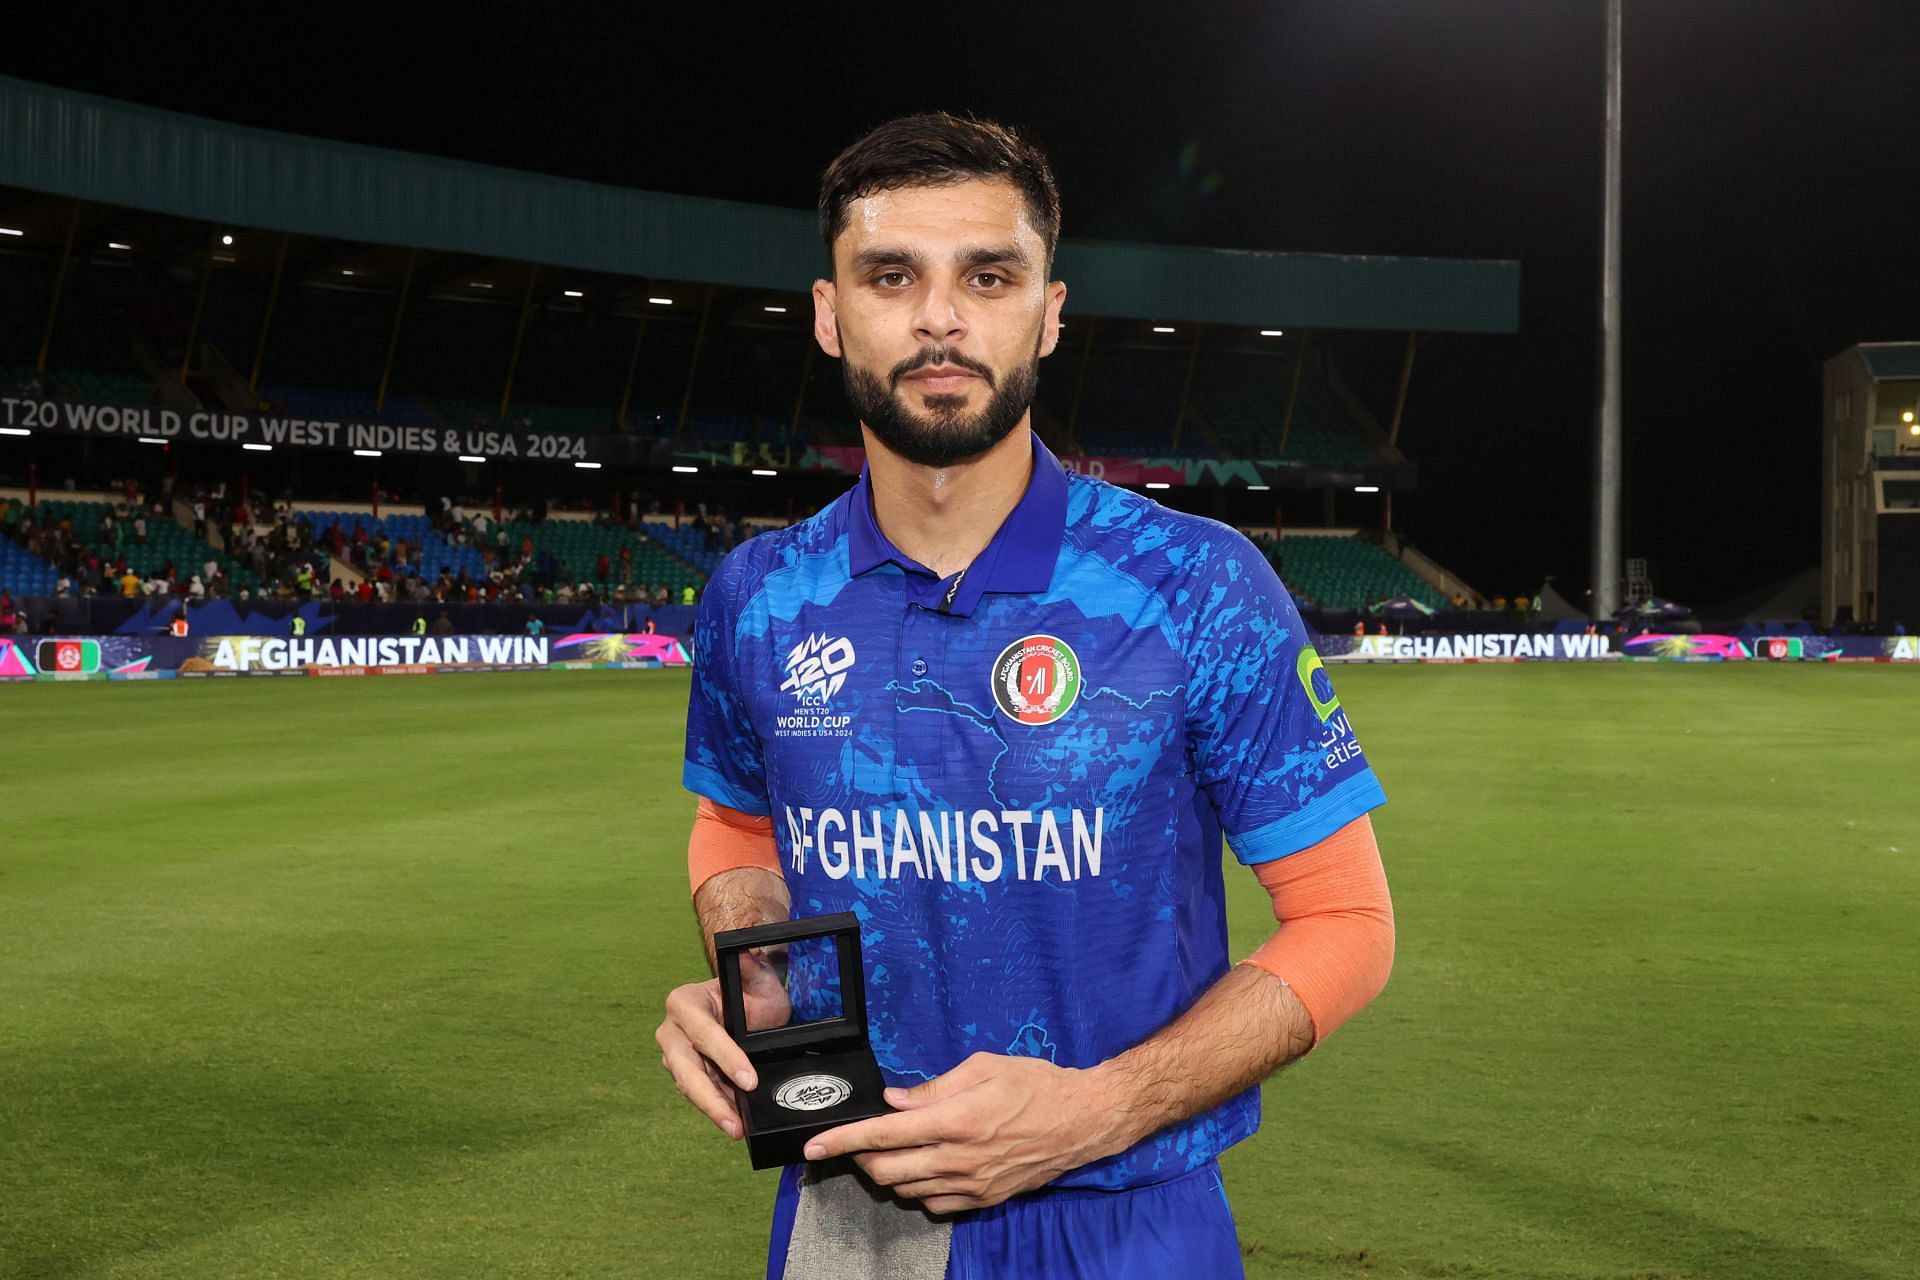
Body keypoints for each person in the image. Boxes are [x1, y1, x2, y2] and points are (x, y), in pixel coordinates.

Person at [656, 114, 1394, 1280]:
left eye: (988, 276)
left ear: (1048, 311)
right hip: (857, 1214)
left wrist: (1099, 1107)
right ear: (827, 312)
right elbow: (738, 828)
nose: (940, 317)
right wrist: (760, 984)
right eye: (890, 275)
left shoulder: (1193, 583)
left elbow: (1349, 923)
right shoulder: (758, 596)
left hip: (1125, 1211)